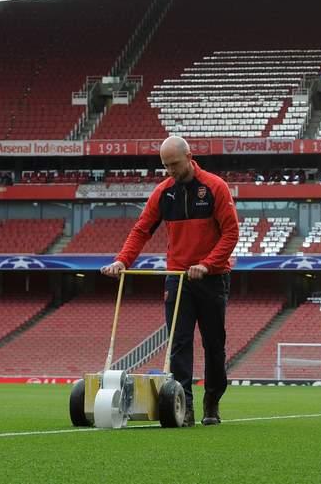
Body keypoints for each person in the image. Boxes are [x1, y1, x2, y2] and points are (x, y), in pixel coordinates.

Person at [101, 136, 239, 427]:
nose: (170, 171)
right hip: (178, 277)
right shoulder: (163, 193)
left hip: (212, 278)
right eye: (165, 166)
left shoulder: (215, 187)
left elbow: (230, 233)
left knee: (214, 345)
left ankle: (211, 401)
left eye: (174, 164)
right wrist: (122, 261)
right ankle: (183, 404)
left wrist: (207, 264)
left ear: (189, 156)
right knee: (179, 343)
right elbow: (141, 230)